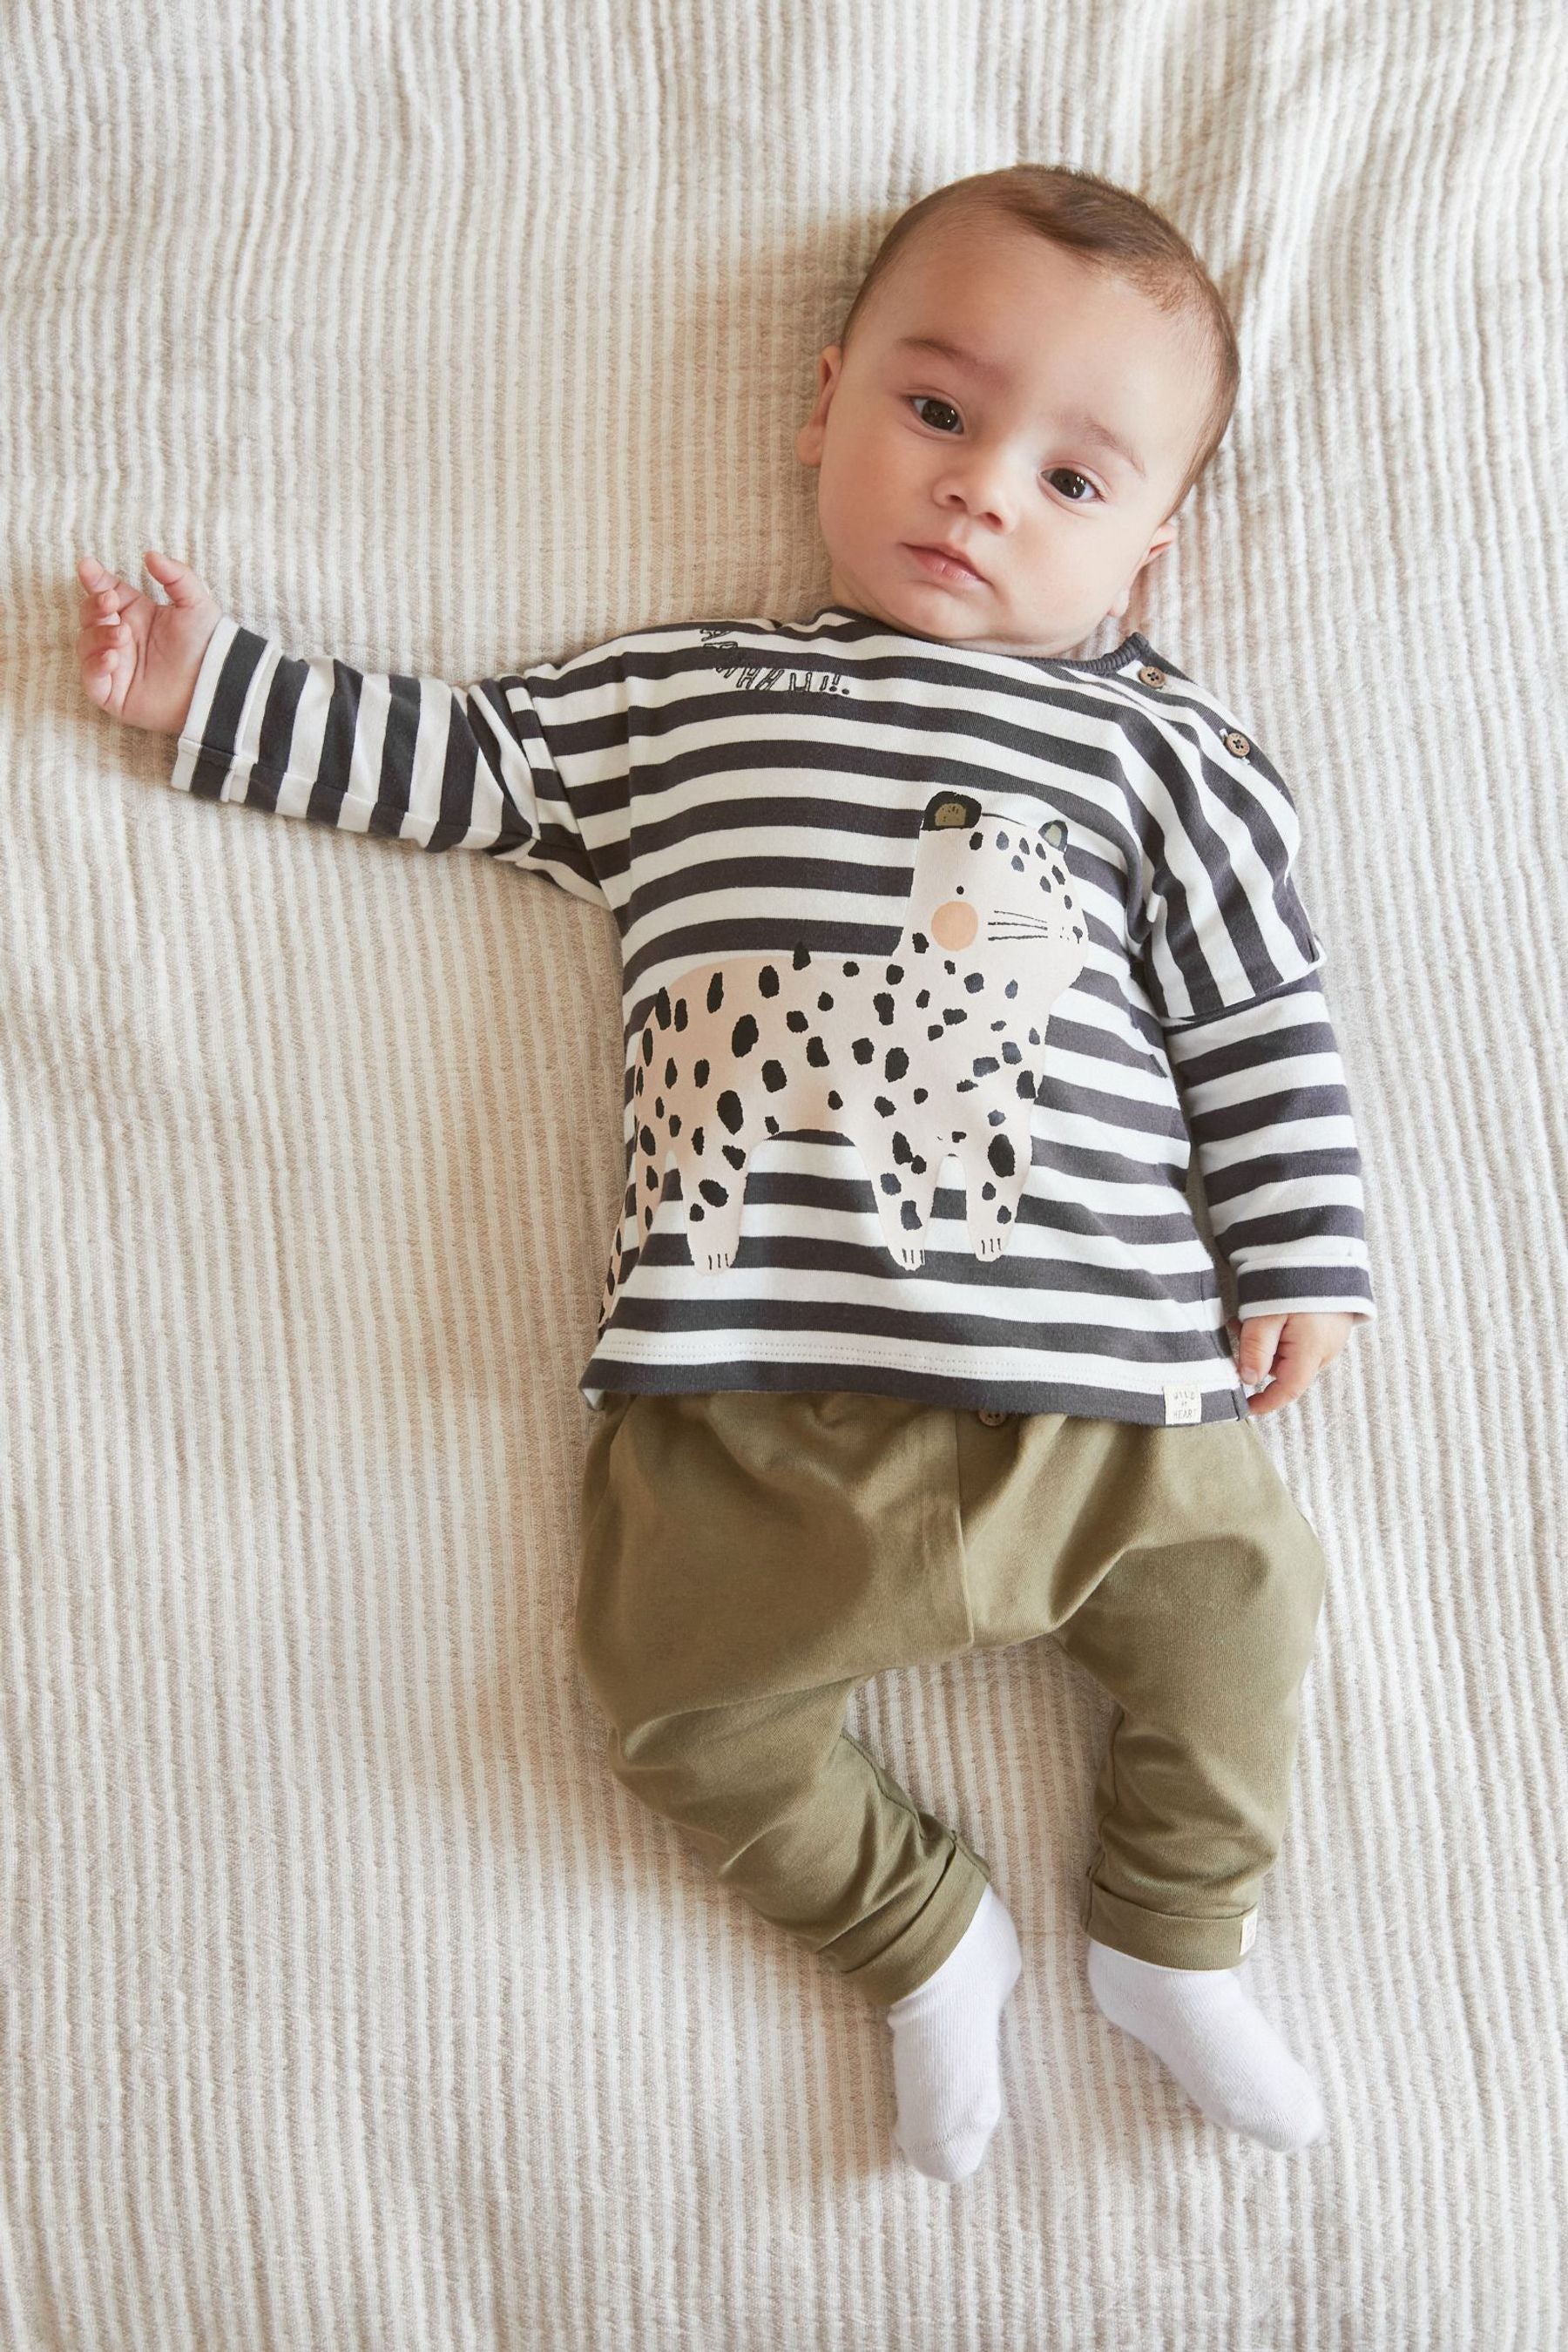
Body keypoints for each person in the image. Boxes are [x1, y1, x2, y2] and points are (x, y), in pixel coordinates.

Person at [73, 161, 1375, 2183]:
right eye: (938, 415)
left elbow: (1258, 1009)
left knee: (1247, 1614)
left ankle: (1174, 1936)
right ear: (828, 398)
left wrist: (1301, 1242)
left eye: (1074, 479)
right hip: (749, 1396)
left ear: (1151, 550)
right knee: (676, 1702)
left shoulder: (1161, 757)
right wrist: (214, 696)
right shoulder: (686, 699)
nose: (983, 493)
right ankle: (923, 1936)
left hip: (1108, 1394)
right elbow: (466, 762)